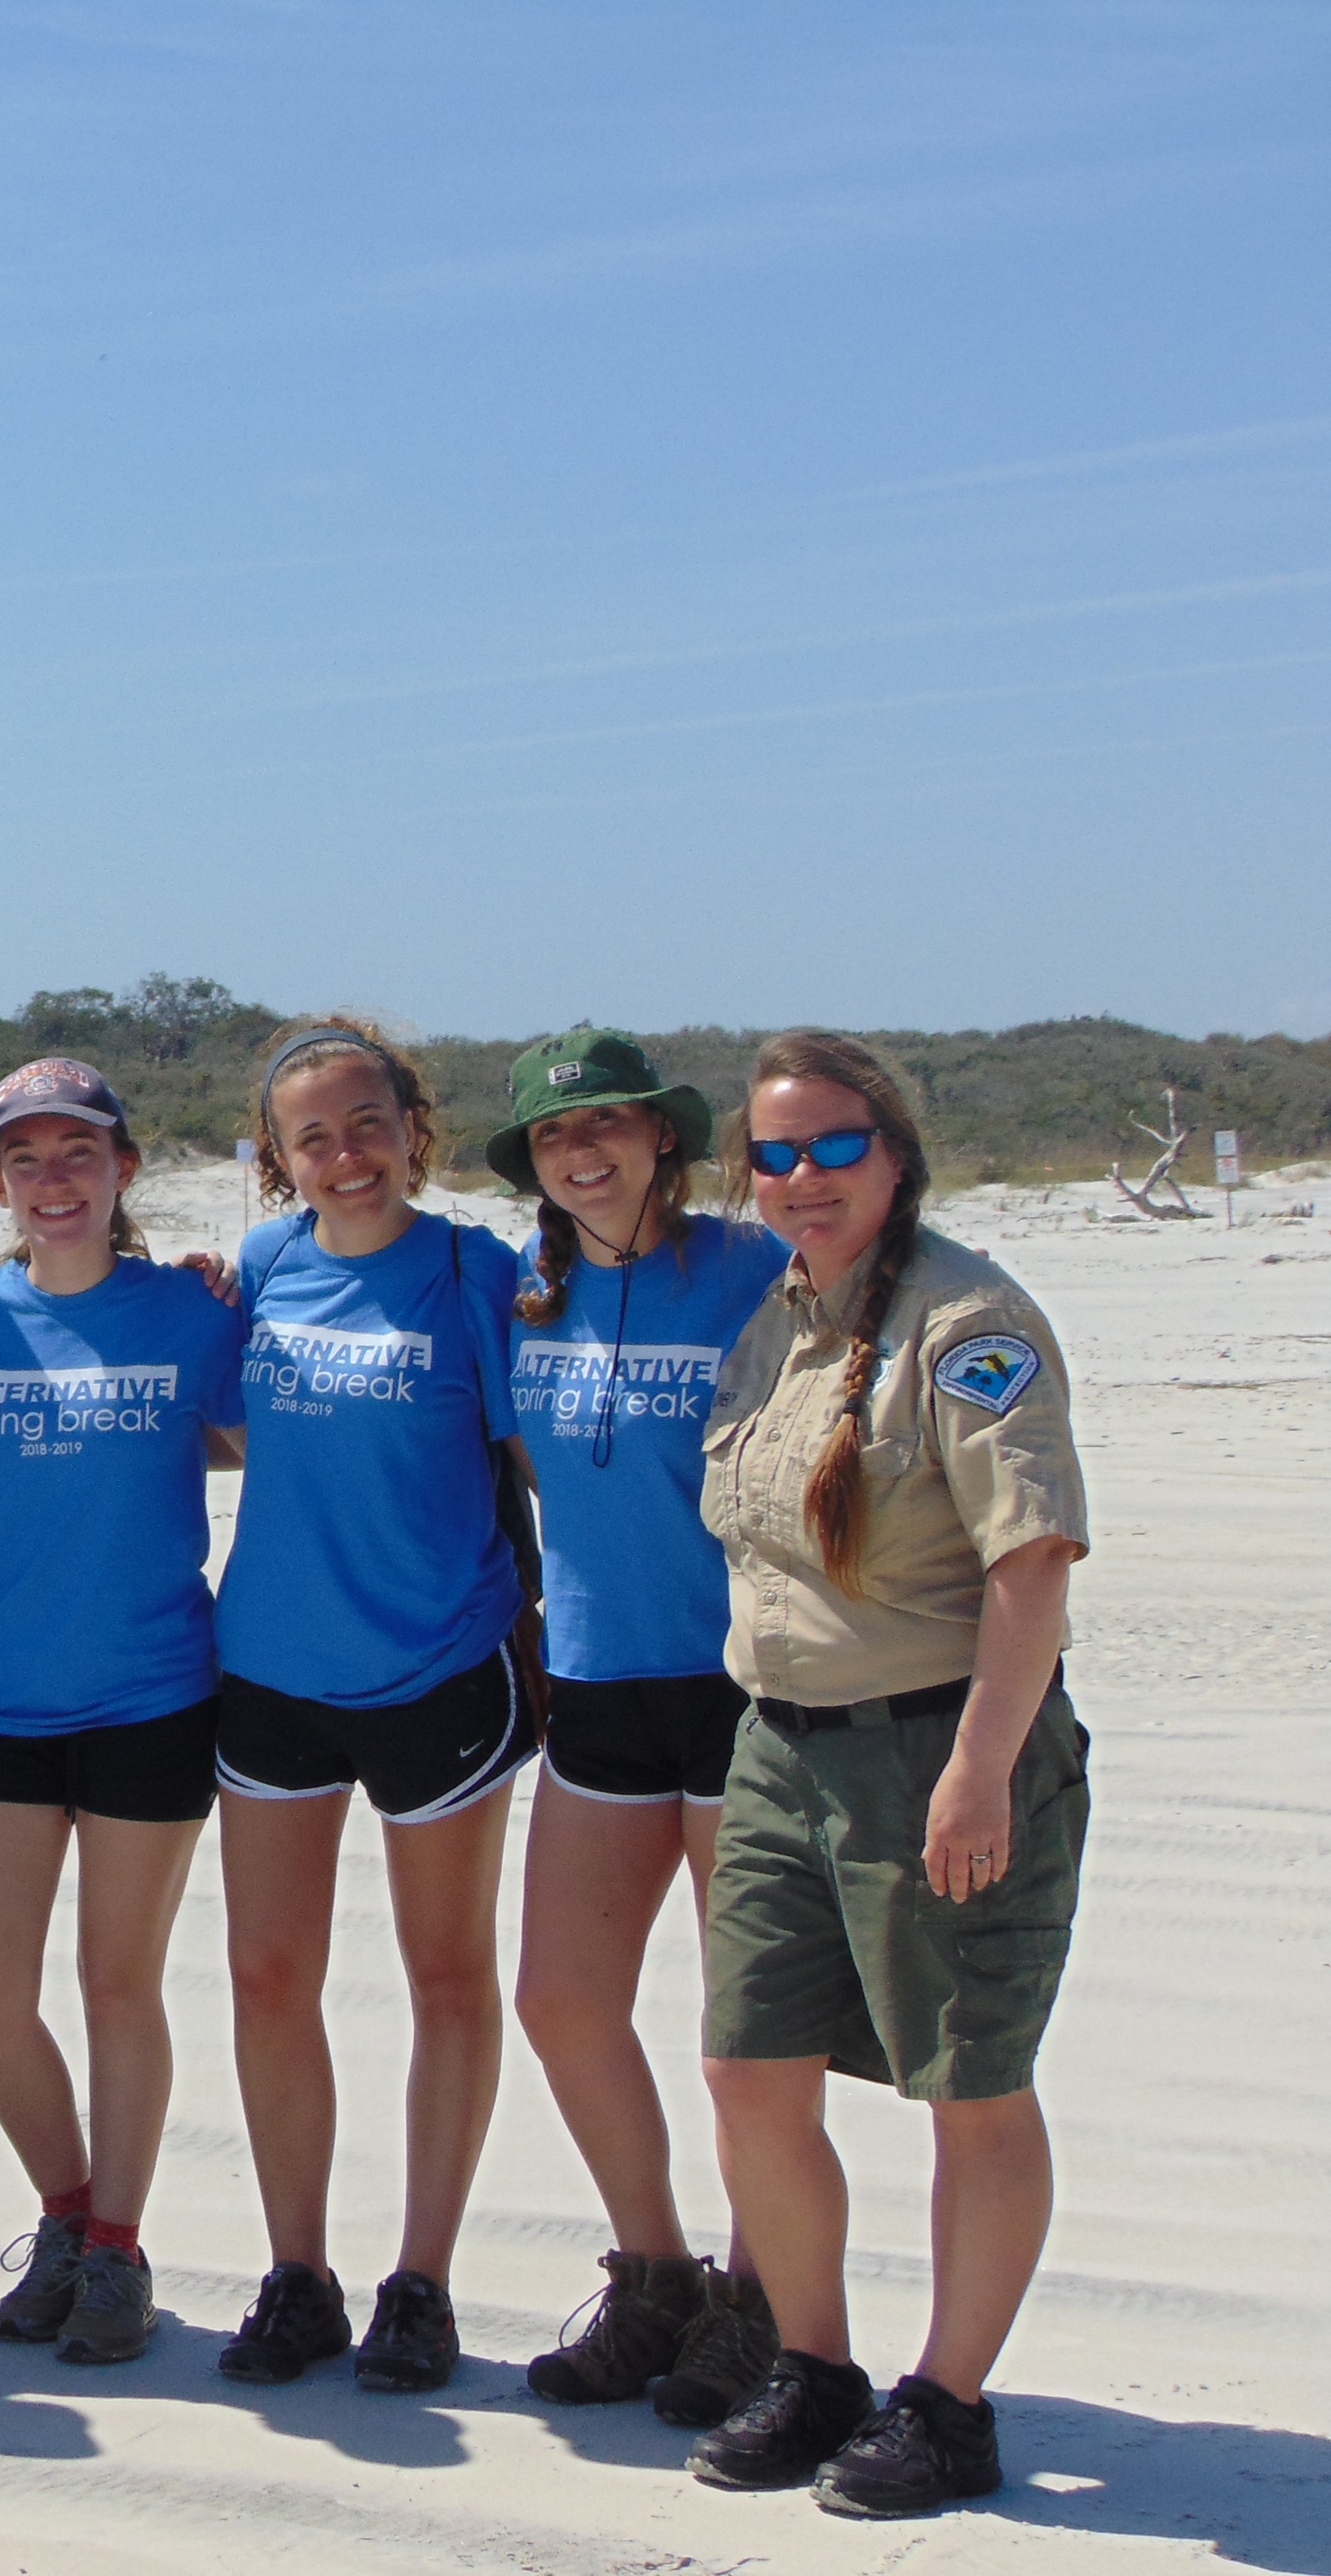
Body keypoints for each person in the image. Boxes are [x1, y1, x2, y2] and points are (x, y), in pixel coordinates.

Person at [682, 1032, 1091, 2519]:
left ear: (894, 1155)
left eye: (831, 1147)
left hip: (937, 1747)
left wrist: (980, 1771)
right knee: (746, 2073)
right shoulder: (776, 1319)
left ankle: (950, 2402)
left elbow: (1030, 1571)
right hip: (778, 1751)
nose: (800, 1178)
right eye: (773, 1155)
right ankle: (815, 2369)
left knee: (967, 2086)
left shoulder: (966, 1322)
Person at [209, 1017, 532, 2395]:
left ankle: (421, 2284)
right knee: (267, 1977)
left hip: (440, 1673)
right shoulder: (264, 1268)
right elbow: (231, 1431)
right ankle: (297, 2277)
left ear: (413, 1124)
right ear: (277, 1160)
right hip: (270, 1672)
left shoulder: (474, 1273)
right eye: (312, 1136)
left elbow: (534, 1461)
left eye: (366, 1122)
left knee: (445, 1978)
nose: (345, 1155)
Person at [489, 1029, 793, 2423]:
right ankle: (656, 2275)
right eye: (556, 1139)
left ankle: (762, 2301)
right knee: (559, 2002)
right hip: (596, 1692)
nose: (582, 1154)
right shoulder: (523, 1299)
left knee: (748, 2033)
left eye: (605, 1126)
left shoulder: (748, 1272)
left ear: (661, 1136)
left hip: (747, 1693)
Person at [0, 1059, 247, 2366]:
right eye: (24, 1160)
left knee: (118, 1984)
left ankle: (116, 2249)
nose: (51, 1181)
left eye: (77, 1155)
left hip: (152, 1691)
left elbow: (247, 1439)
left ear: (120, 1170)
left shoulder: (187, 1312)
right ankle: (62, 2215)